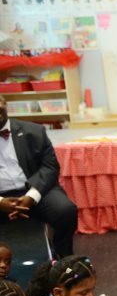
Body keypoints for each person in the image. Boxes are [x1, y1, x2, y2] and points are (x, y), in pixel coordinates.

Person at [0, 95, 78, 258]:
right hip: (1, 197)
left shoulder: (34, 131)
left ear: (4, 103)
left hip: (35, 190)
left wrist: (31, 197)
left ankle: (63, 259)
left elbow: (50, 167)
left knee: (65, 211)